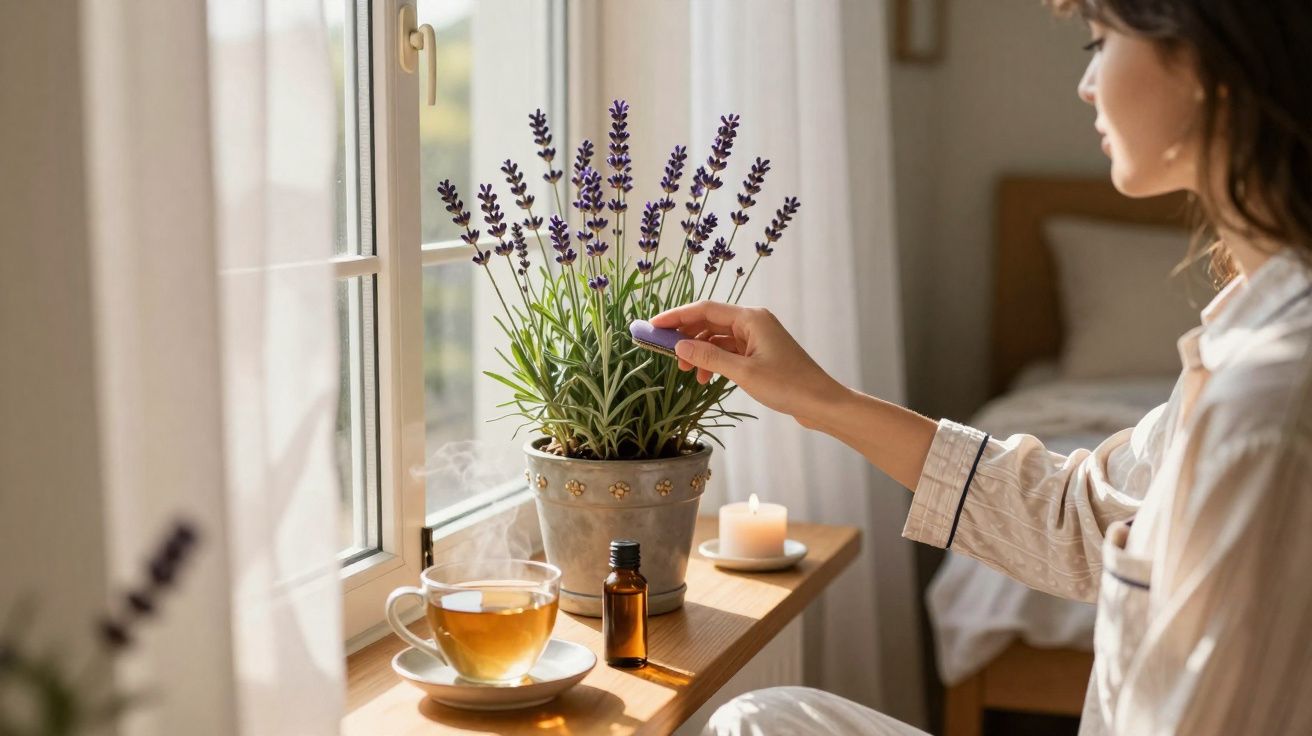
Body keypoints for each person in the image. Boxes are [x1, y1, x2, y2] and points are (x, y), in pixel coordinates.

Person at [656, 1, 1312, 734]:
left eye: (1100, 44)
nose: (1087, 84)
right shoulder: (1243, 340)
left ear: (1205, 65)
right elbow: (1080, 516)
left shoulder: (1269, 405)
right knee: (761, 719)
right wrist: (820, 399)